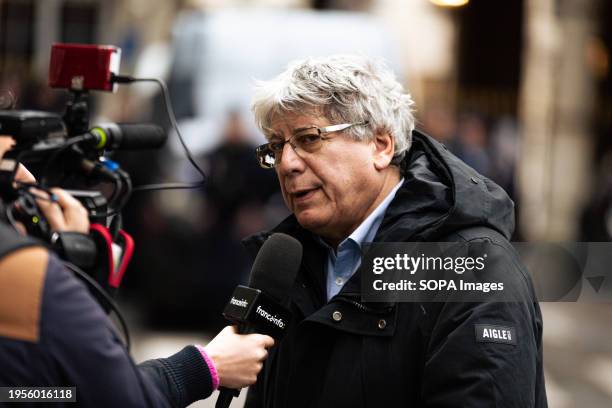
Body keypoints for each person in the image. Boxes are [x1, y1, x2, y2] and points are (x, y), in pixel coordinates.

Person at [244, 55, 547, 407]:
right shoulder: (290, 264)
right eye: (277, 147)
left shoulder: (475, 271)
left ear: (381, 145)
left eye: (308, 138)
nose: (287, 163)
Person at [0, 136, 274, 407]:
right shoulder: (21, 267)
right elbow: (119, 398)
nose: (28, 179)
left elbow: (45, 395)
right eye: (8, 157)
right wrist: (206, 366)